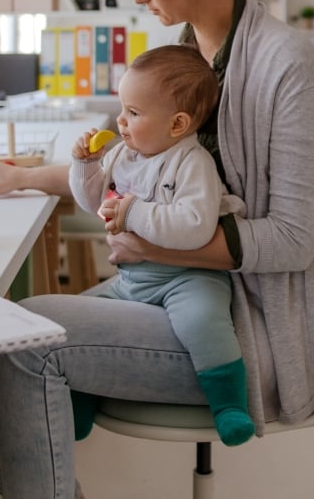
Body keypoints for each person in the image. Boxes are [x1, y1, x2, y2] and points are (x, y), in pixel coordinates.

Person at [0, 0, 314, 499]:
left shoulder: (285, 64)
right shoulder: (186, 57)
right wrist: (22, 175)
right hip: (169, 287)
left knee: (20, 342)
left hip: (238, 323)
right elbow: (136, 173)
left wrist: (153, 243)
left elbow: (295, 239)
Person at [68, 44, 252, 447]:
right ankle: (82, 395)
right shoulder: (123, 155)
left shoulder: (192, 163)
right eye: (122, 108)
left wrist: (133, 212)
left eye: (134, 113)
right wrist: (86, 167)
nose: (121, 121)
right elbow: (93, 202)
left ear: (177, 124)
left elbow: (194, 228)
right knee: (85, 315)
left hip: (188, 277)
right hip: (132, 279)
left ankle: (228, 404)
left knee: (203, 321)